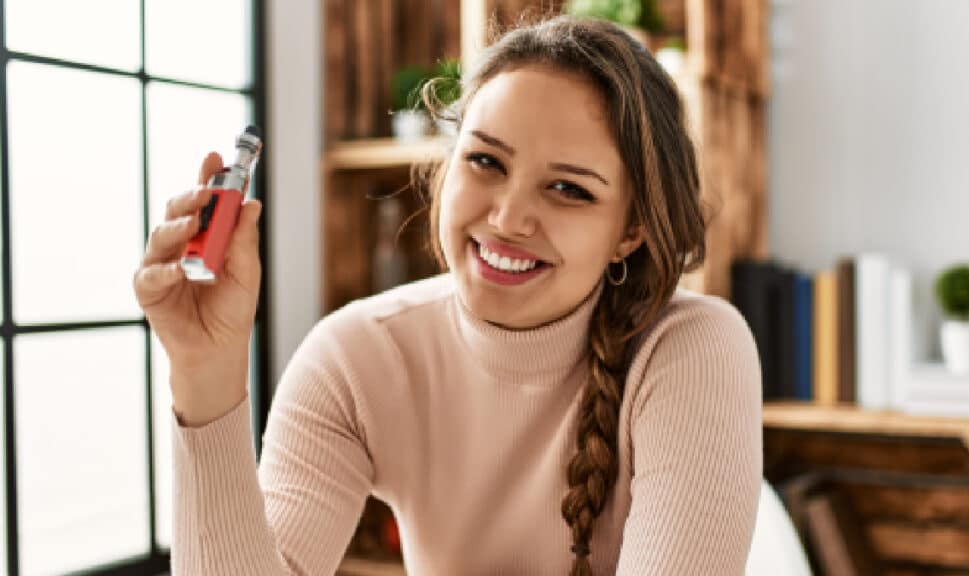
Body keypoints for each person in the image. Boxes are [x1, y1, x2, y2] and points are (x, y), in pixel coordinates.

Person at [133, 14, 762, 576]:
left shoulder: (692, 350)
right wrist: (206, 373)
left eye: (569, 190)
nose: (509, 218)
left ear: (631, 231)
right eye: (486, 162)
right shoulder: (356, 357)